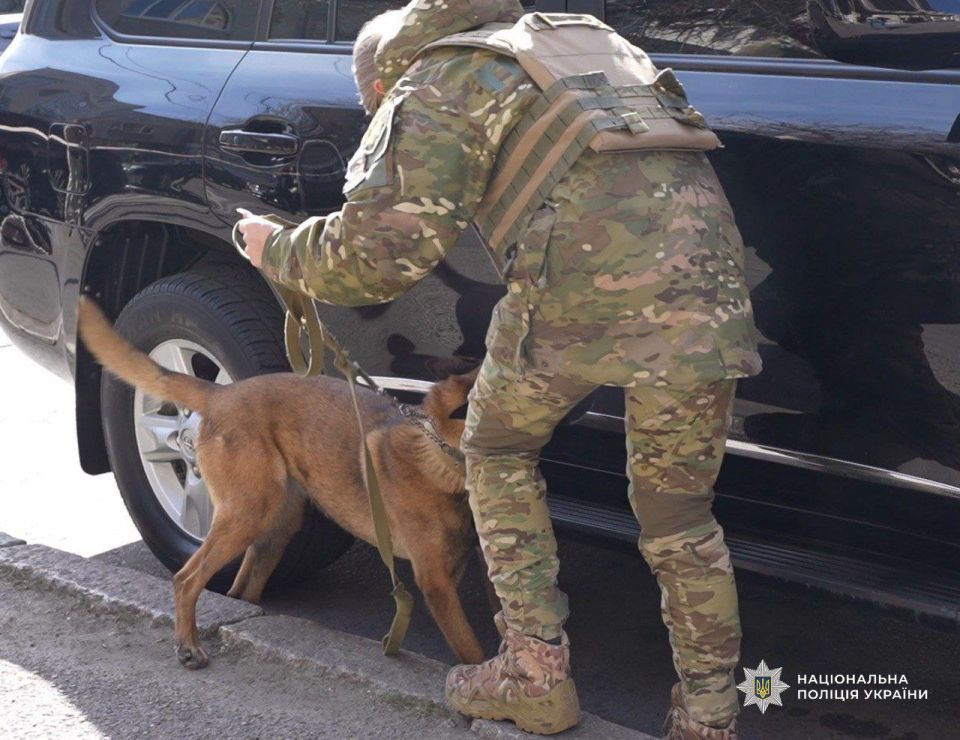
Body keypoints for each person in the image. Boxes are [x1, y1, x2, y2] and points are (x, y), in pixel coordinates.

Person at [237, 1, 762, 737]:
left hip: (578, 297)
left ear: (380, 84)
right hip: (710, 295)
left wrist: (276, 250)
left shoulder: (434, 76)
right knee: (680, 517)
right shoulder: (575, 39)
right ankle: (709, 720)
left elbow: (378, 257)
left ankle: (533, 677)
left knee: (495, 449)